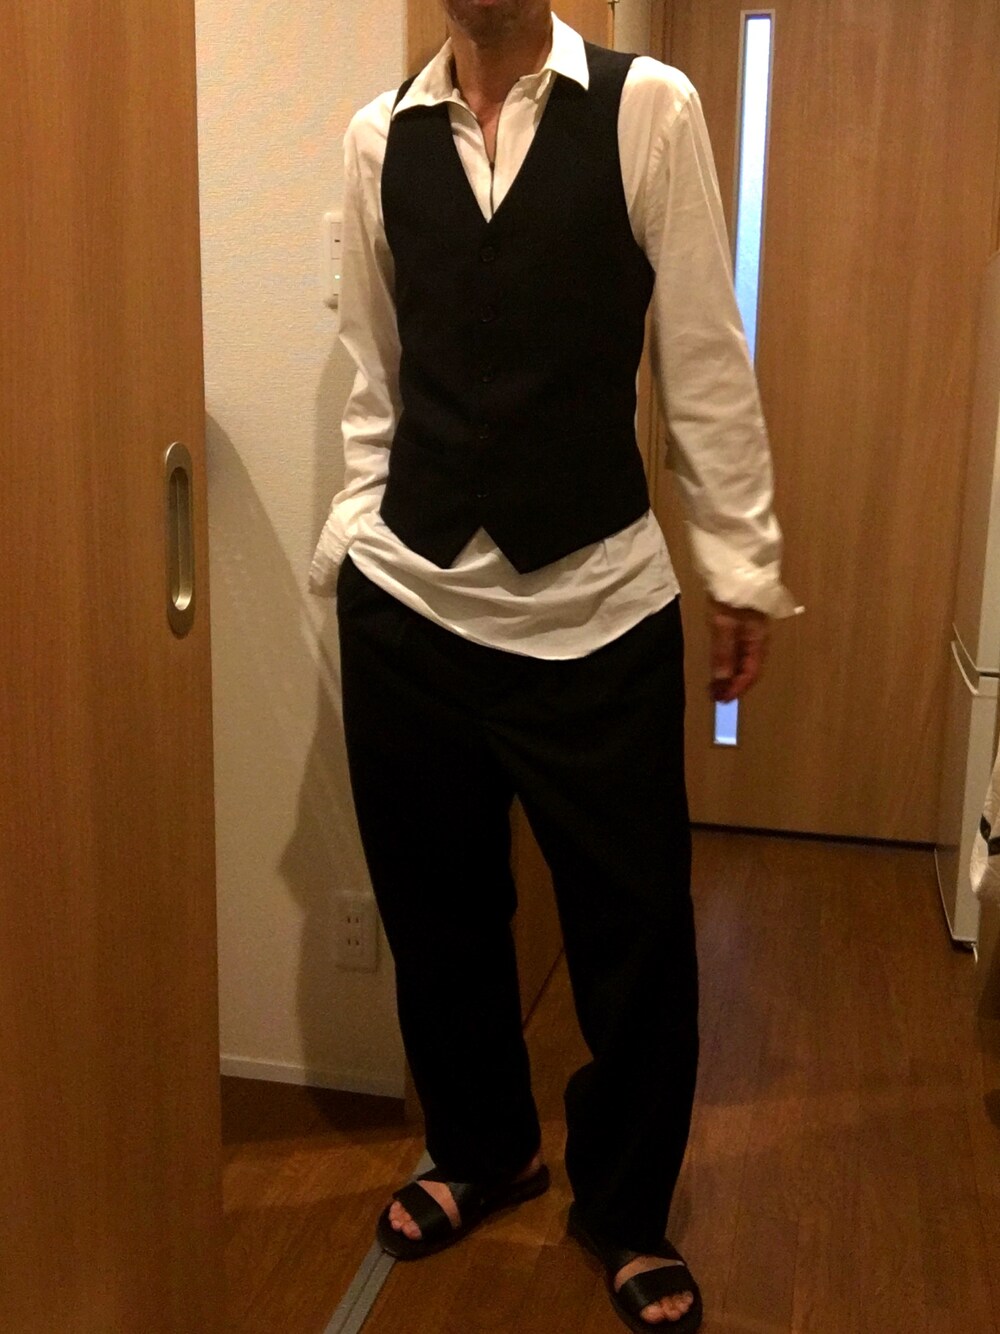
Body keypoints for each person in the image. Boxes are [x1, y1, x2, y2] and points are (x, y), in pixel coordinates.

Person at [310, 2, 797, 1328]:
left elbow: (702, 354)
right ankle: (483, 1146)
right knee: (439, 915)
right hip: (410, 605)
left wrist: (740, 561)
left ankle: (626, 1209)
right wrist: (354, 541)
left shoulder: (648, 109)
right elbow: (375, 376)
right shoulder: (377, 138)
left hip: (598, 611)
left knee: (634, 941)